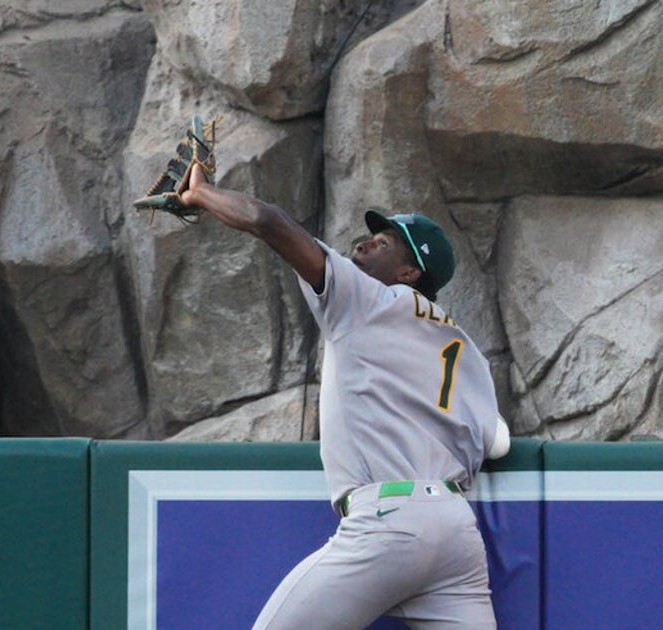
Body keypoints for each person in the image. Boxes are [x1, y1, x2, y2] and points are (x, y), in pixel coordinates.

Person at [176, 161, 511, 629]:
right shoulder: (465, 347)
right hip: (456, 534)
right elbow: (497, 440)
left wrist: (202, 193)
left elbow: (269, 222)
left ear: (410, 272)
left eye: (384, 243)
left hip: (390, 521)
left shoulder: (368, 299)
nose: (365, 243)